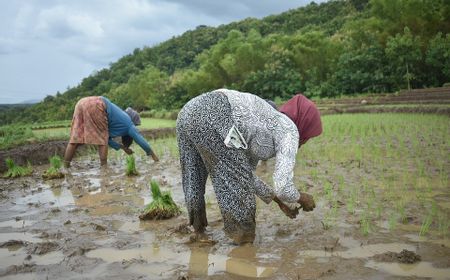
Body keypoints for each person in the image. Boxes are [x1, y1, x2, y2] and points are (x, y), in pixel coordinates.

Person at [176, 89, 322, 244]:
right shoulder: (289, 130)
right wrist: (302, 198)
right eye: (309, 136)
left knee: (193, 175)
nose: (305, 141)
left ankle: (199, 232)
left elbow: (247, 176)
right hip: (216, 111)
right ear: (304, 124)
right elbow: (283, 187)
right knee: (237, 190)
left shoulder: (258, 125)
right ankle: (243, 243)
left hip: (187, 111)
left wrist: (280, 203)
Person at [63, 96, 159, 167]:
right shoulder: (129, 124)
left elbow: (108, 139)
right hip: (98, 104)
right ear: (133, 121)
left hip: (81, 102)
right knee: (102, 140)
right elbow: (140, 139)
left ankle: (66, 167)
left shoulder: (118, 119)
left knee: (75, 140)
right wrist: (153, 155)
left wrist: (122, 148)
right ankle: (104, 167)